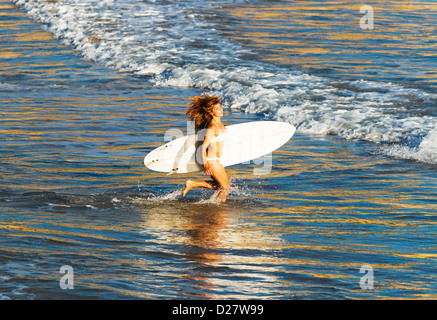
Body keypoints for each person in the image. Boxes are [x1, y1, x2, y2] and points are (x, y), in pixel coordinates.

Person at [182, 94, 230, 203]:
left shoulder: (220, 123)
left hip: (216, 161)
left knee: (221, 186)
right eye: (217, 109)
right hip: (212, 162)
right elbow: (203, 147)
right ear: (211, 112)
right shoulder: (212, 127)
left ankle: (193, 183)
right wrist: (206, 164)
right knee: (225, 188)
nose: (220, 110)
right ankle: (218, 211)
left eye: (220, 107)